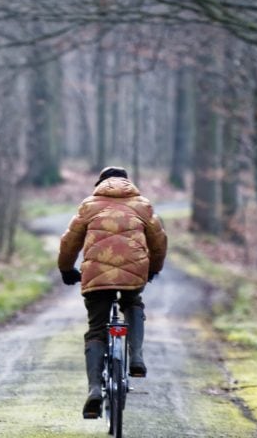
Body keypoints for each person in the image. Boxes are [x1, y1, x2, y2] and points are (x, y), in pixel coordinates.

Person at [57, 166, 167, 419]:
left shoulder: (89, 205)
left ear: (100, 184)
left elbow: (69, 241)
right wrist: (153, 269)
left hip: (96, 273)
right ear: (128, 183)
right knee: (133, 302)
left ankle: (95, 389)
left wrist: (66, 269)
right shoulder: (143, 205)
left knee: (97, 329)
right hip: (134, 270)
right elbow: (159, 241)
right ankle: (136, 357)